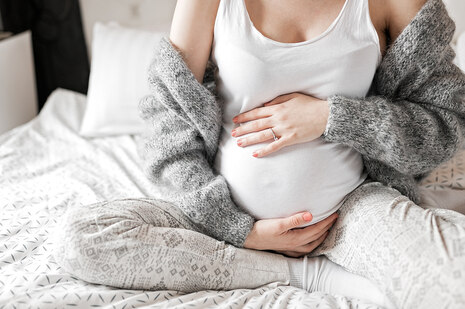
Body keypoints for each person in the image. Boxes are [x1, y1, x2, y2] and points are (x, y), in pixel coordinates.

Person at [52, 0, 465, 308]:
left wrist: (330, 117)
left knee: (453, 276)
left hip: (348, 211)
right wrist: (240, 229)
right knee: (81, 240)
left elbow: (447, 122)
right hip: (218, 216)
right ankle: (301, 273)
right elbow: (166, 124)